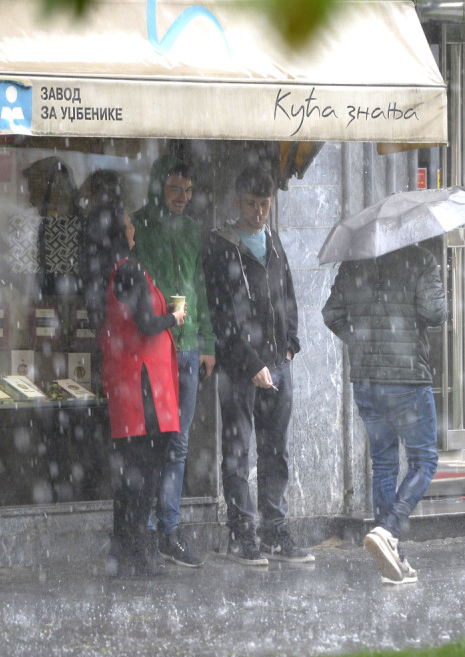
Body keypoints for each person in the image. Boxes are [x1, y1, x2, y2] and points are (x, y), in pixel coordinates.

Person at [202, 165, 313, 565]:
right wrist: (250, 361)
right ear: (238, 201)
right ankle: (241, 534)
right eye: (251, 204)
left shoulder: (274, 241)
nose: (259, 212)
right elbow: (222, 314)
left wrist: (290, 346)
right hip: (238, 367)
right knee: (238, 450)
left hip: (278, 361)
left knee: (276, 450)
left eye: (265, 204)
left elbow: (288, 296)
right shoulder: (221, 245)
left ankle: (274, 531)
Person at [321, 244, 446, 585]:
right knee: (424, 461)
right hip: (407, 380)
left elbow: (331, 313)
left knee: (384, 465)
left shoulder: (354, 263)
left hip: (367, 382)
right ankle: (388, 530)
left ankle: (393, 559)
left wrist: (359, 341)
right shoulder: (421, 260)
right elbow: (435, 313)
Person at [86, 174, 187, 577]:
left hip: (128, 383)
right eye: (128, 222)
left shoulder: (109, 271)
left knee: (131, 473)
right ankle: (136, 550)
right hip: (144, 386)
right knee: (144, 473)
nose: (133, 227)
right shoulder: (129, 269)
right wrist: (175, 317)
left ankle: (123, 549)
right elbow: (146, 323)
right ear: (119, 229)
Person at [131, 155, 215, 568]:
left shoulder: (193, 230)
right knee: (153, 443)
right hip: (155, 346)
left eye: (188, 191)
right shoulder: (139, 225)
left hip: (188, 345)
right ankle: (145, 530)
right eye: (174, 189)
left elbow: (200, 286)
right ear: (157, 188)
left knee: (178, 443)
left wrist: (207, 341)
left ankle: (169, 530)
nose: (182, 198)